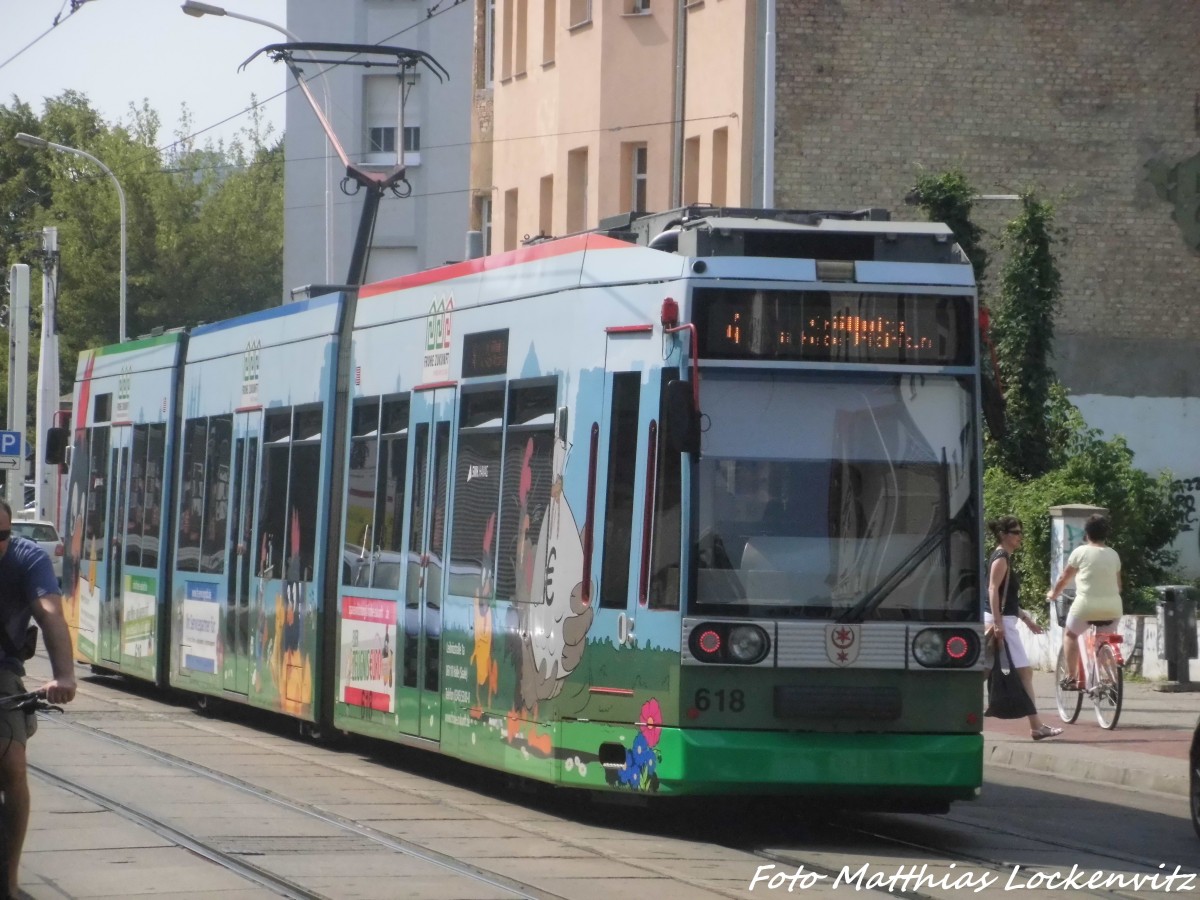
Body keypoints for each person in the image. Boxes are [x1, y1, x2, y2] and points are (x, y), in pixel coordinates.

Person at [0, 499, 77, 898]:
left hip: (1, 669)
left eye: (3, 535)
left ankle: (9, 880)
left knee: (11, 764)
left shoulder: (27, 559)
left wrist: (63, 675)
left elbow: (49, 613)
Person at [986, 516, 1062, 741]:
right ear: (1003, 534)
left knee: (985, 671)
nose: (1020, 537)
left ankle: (1036, 726)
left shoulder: (1003, 556)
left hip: (1002, 620)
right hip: (1002, 624)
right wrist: (999, 624)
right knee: (1025, 673)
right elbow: (992, 590)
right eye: (1016, 532)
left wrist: (1026, 618)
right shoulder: (1001, 558)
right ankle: (1036, 726)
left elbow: (1005, 596)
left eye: (1020, 532)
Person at [1046, 513, 1122, 692]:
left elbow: (1064, 578)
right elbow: (1119, 586)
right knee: (1104, 641)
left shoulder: (1080, 552)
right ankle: (1111, 679)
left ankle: (1072, 677)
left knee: (1071, 634)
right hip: (1113, 608)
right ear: (1106, 534)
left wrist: (1053, 594)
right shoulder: (1114, 554)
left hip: (1086, 606)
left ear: (1087, 534)